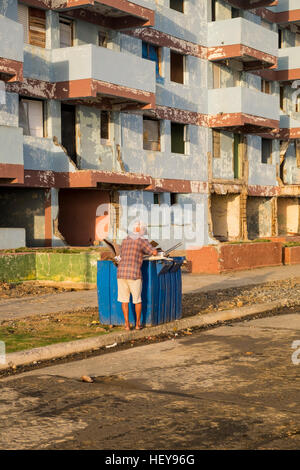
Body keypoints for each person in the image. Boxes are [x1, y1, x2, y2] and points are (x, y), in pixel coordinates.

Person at [117, 222, 157, 330]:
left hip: (121, 273)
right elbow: (153, 252)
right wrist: (155, 251)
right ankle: (138, 325)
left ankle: (126, 325)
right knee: (137, 300)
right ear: (141, 231)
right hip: (134, 273)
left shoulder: (125, 239)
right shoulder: (142, 240)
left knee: (124, 300)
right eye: (144, 231)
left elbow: (122, 254)